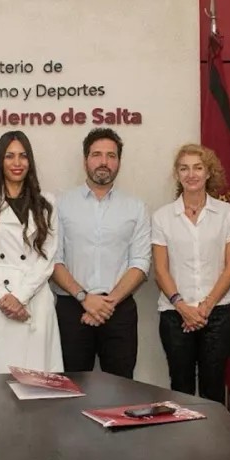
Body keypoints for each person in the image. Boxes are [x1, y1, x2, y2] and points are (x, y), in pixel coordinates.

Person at [51, 128, 151, 378]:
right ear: (85, 160)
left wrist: (107, 304)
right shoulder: (60, 205)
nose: (104, 162)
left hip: (119, 309)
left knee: (121, 388)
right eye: (96, 154)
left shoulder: (136, 207)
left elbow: (140, 263)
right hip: (72, 307)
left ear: (119, 161)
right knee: (72, 387)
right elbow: (54, 260)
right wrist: (85, 298)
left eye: (111, 155)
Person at [0, 131, 62, 373]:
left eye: (23, 156)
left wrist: (21, 296)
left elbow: (48, 257)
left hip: (33, 299)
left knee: (36, 379)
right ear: (0, 160)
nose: (17, 163)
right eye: (10, 156)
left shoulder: (47, 202)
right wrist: (3, 296)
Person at [151, 144, 230, 403]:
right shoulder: (162, 217)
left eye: (198, 168)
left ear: (208, 172)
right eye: (184, 168)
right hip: (175, 314)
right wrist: (183, 307)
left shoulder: (227, 214)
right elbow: (160, 269)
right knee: (180, 389)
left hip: (217, 313)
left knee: (214, 390)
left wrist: (205, 307)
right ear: (177, 174)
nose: (191, 174)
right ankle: (183, 433)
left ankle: (214, 433)